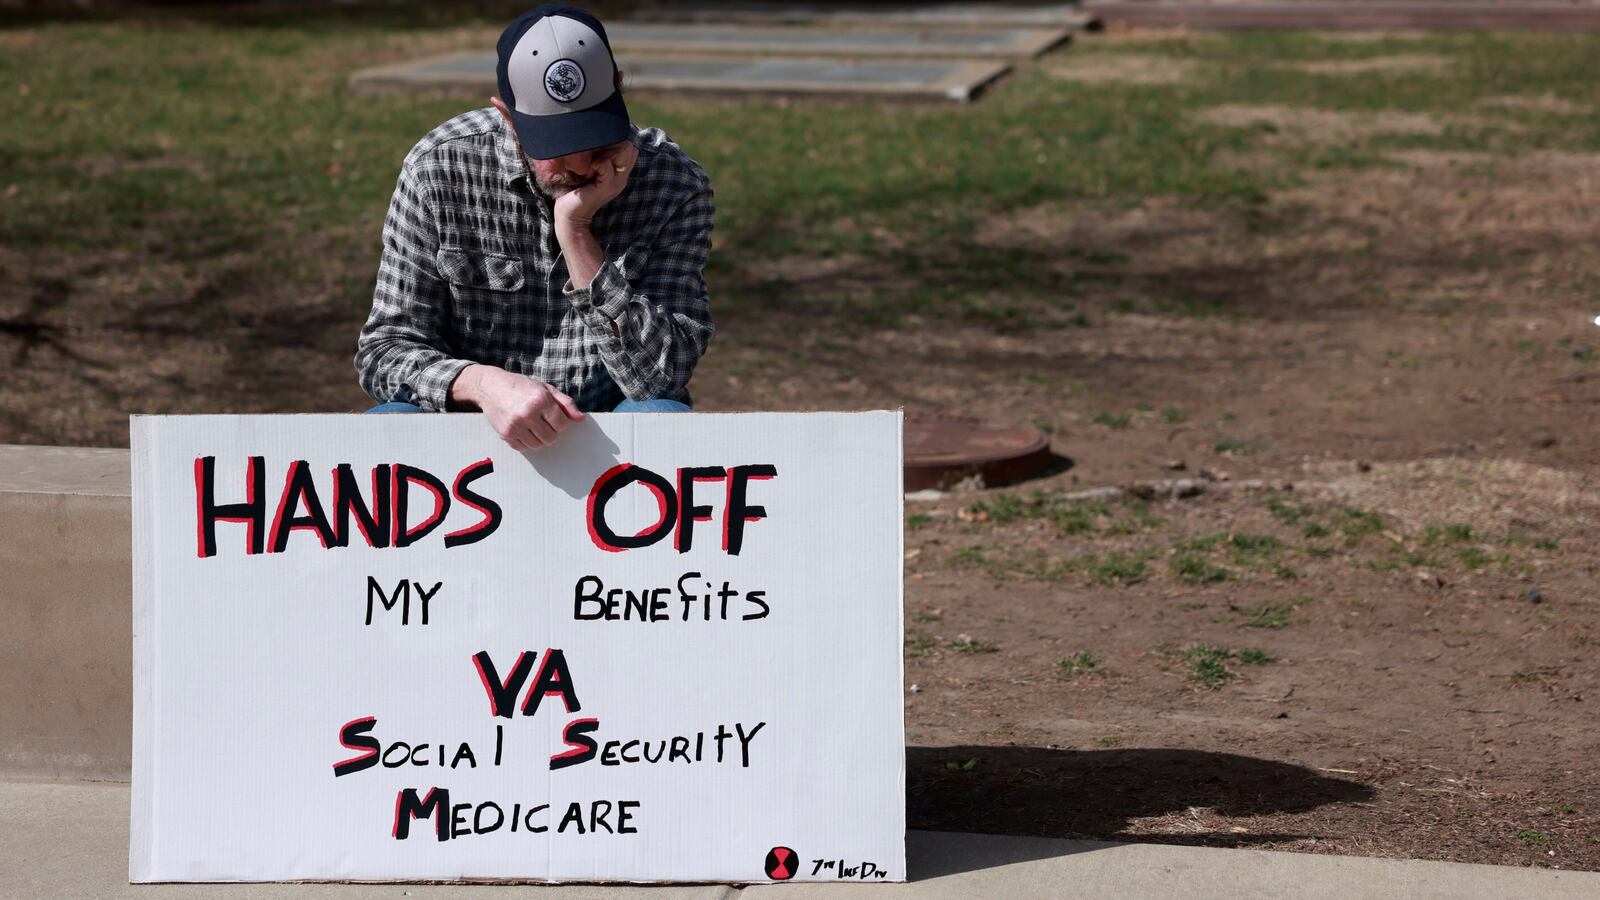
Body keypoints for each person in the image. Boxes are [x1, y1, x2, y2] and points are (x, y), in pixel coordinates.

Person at [355, 4, 715, 451]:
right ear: (507, 116)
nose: (581, 165)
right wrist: (483, 385)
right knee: (389, 424)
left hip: (610, 428)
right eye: (557, 147)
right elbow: (384, 352)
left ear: (618, 88)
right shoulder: (439, 167)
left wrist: (578, 232)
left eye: (593, 137)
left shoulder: (673, 184)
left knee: (661, 419)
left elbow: (659, 379)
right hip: (471, 426)